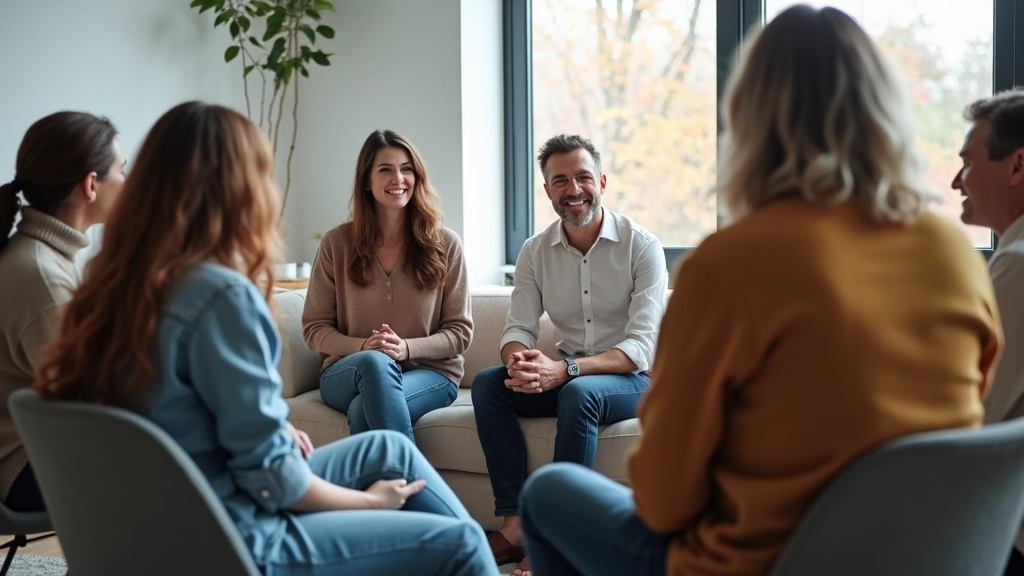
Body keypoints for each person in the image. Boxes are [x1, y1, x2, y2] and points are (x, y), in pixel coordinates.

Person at [518, 6, 1002, 576]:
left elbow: (663, 500)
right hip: (921, 557)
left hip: (762, 564)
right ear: (887, 114)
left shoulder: (730, 265)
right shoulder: (952, 254)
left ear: (751, 118)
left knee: (547, 493)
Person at [33, 102, 497, 576]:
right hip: (235, 528)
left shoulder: (103, 283)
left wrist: (272, 430)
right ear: (237, 188)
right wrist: (370, 504)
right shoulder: (223, 296)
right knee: (460, 542)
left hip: (167, 511)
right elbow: (276, 481)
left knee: (389, 450)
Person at [472, 133, 667, 575]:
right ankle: (516, 524)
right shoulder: (535, 251)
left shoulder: (642, 246)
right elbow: (518, 327)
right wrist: (520, 361)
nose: (573, 189)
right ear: (546, 191)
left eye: (583, 177)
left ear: (601, 180)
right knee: (489, 385)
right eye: (560, 181)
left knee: (581, 393)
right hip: (568, 373)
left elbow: (640, 347)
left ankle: (554, 540)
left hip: (633, 379)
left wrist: (566, 370)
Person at [302, 129, 471, 442]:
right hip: (348, 371)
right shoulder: (336, 244)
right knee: (374, 363)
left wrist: (406, 348)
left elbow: (460, 332)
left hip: (431, 374)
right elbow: (314, 330)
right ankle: (411, 487)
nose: (398, 178)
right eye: (385, 170)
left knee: (360, 411)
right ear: (367, 181)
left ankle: (392, 490)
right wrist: (364, 347)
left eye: (406, 169)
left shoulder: (446, 244)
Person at [0, 111, 126, 513]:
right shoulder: (40, 275)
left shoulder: (46, 257)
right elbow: (96, 401)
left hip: (48, 448)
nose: (128, 182)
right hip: (28, 465)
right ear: (92, 184)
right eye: (121, 170)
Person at [951, 87, 1024, 576]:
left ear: (1018, 166)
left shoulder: (1017, 269)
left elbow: (966, 417)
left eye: (968, 163)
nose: (957, 181)